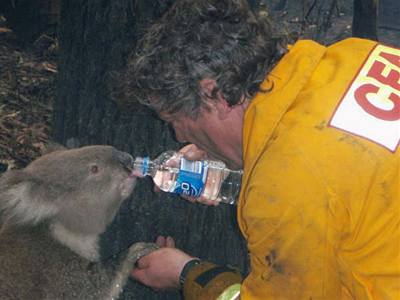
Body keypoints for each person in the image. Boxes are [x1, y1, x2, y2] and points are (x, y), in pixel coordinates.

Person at [121, 0, 400, 299]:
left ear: (214, 95)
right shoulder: (357, 55)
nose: (178, 135)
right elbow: (344, 184)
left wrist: (188, 273)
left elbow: (301, 188)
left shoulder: (286, 185)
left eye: (175, 120)